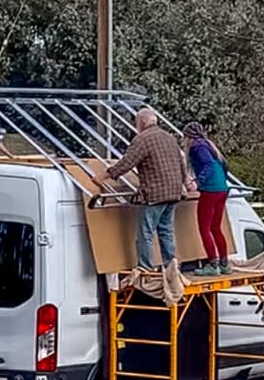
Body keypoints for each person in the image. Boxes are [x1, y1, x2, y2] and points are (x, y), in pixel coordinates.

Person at [92, 108, 187, 271]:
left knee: (145, 233)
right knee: (166, 231)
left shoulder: (143, 139)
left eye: (136, 123)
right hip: (174, 192)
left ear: (142, 122)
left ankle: (145, 268)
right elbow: (181, 162)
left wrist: (103, 176)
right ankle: (171, 266)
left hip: (156, 193)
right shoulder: (169, 138)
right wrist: (183, 183)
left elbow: (126, 163)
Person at [183, 121, 230, 276]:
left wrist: (197, 182)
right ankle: (224, 264)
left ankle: (212, 264)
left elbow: (208, 164)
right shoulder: (210, 146)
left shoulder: (197, 147)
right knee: (216, 228)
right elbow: (222, 165)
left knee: (204, 229)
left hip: (210, 191)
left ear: (189, 137)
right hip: (222, 189)